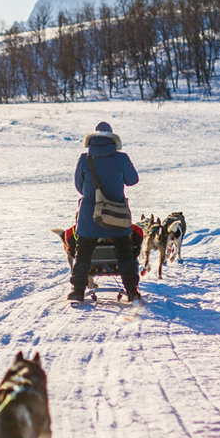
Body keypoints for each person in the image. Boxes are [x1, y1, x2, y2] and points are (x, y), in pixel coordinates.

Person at [68, 122, 141, 303]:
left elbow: (79, 187)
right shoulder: (122, 158)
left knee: (83, 253)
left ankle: (77, 291)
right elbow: (133, 180)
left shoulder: (84, 159)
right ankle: (132, 291)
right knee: (125, 252)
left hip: (89, 217)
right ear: (113, 139)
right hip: (116, 216)